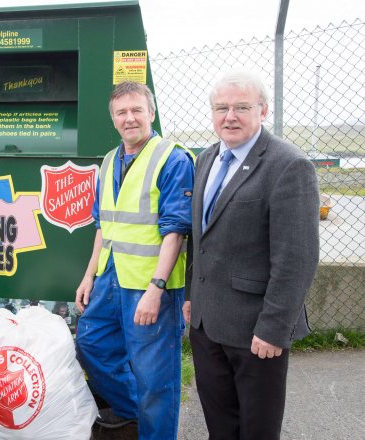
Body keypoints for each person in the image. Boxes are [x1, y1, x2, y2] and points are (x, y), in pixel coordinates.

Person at [184, 71, 319, 440]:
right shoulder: (206, 159)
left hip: (256, 331)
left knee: (257, 431)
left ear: (263, 110)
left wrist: (274, 329)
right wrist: (191, 296)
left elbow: (297, 259)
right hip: (207, 325)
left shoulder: (289, 166)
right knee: (220, 427)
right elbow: (199, 237)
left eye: (242, 107)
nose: (230, 116)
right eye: (222, 108)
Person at [75, 81, 194, 439]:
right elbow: (103, 225)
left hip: (149, 283)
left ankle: (155, 432)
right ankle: (132, 412)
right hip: (111, 276)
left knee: (155, 377)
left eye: (136, 110)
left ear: (151, 113)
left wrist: (156, 288)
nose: (130, 119)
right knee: (91, 342)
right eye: (121, 113)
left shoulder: (172, 158)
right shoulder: (110, 159)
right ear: (113, 120)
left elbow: (175, 230)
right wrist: (89, 275)